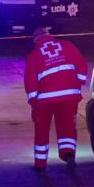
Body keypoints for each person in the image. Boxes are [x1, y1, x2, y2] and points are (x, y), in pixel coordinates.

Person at [24, 26, 88, 169]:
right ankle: (68, 154)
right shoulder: (68, 46)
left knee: (42, 128)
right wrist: (78, 83)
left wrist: (33, 102)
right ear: (49, 35)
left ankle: (40, 163)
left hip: (45, 99)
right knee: (67, 126)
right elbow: (82, 65)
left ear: (36, 40)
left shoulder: (34, 55)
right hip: (70, 95)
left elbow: (30, 82)